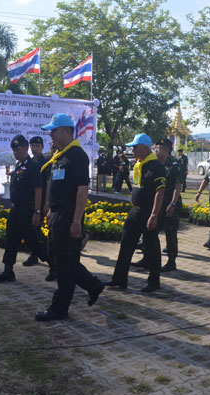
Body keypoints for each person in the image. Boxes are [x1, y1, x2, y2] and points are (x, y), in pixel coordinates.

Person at [36, 113, 105, 321]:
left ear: (67, 131)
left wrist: (76, 220)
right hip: (57, 215)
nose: (51, 135)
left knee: (65, 265)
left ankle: (59, 308)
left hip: (68, 217)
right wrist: (49, 209)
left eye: (54, 131)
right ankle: (93, 285)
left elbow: (82, 190)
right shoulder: (59, 155)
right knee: (60, 260)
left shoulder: (76, 155)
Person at [106, 133, 166, 292]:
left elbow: (160, 192)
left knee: (151, 247)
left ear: (145, 148)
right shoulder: (139, 164)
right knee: (126, 244)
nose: (132, 150)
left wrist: (154, 214)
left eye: (135, 147)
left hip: (148, 213)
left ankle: (154, 281)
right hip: (135, 211)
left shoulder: (156, 166)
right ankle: (119, 279)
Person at [0, 135, 43, 284]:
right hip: (16, 210)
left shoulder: (33, 166)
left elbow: (38, 190)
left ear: (26, 148)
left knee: (34, 242)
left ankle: (55, 266)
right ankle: (8, 271)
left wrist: (37, 212)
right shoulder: (19, 166)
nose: (15, 153)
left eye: (18, 150)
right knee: (11, 239)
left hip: (27, 210)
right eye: (14, 150)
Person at [132, 138, 182, 272]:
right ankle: (146, 258)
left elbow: (178, 186)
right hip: (156, 204)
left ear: (166, 150)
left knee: (170, 233)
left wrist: (173, 204)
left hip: (169, 203)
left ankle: (171, 261)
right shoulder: (152, 163)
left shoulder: (174, 165)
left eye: (158, 148)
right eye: (156, 148)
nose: (156, 150)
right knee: (150, 232)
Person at [22, 136, 55, 281]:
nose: (34, 148)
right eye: (32, 146)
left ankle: (52, 262)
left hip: (41, 202)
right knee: (34, 231)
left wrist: (47, 204)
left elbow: (48, 184)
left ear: (42, 147)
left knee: (40, 231)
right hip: (30, 202)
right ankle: (35, 255)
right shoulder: (28, 162)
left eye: (37, 146)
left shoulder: (46, 163)